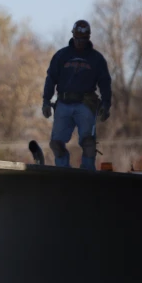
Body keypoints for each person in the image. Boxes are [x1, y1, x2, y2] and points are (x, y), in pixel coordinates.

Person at [42, 20, 112, 170]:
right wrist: (46, 101)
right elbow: (51, 78)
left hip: (85, 104)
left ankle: (87, 170)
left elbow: (105, 82)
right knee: (56, 142)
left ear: (88, 38)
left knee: (88, 141)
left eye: (84, 39)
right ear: (73, 36)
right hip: (63, 103)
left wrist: (106, 104)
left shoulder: (96, 59)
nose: (80, 42)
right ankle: (62, 170)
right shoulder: (62, 55)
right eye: (78, 38)